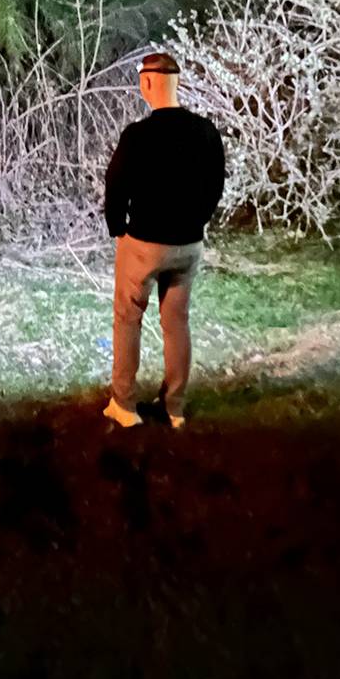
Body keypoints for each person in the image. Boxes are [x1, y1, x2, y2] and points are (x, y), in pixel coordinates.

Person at [102, 51, 225, 429]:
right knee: (177, 322)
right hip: (188, 246)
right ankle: (174, 407)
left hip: (144, 244)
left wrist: (117, 227)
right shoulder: (206, 131)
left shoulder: (138, 135)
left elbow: (115, 184)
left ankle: (124, 404)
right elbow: (215, 186)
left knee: (128, 318)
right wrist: (198, 221)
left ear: (149, 83)